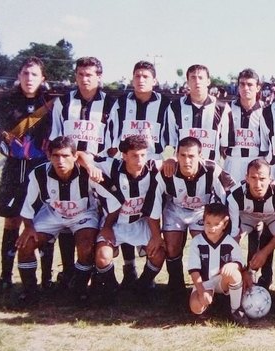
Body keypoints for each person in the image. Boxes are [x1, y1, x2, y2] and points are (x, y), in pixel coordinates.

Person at [15, 137, 120, 306]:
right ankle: (30, 291)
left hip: (83, 214)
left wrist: (107, 227)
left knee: (86, 247)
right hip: (53, 215)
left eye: (65, 156)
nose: (60, 161)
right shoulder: (39, 173)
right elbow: (28, 205)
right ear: (49, 156)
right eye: (55, 156)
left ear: (74, 156)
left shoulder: (88, 173)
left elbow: (114, 203)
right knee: (26, 244)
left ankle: (79, 290)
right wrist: (28, 227)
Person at [49, 56, 117, 289]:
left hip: (99, 168)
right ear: (75, 76)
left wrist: (93, 161)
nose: (85, 79)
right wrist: (75, 158)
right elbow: (55, 138)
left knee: (99, 217)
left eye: (90, 75)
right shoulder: (63, 102)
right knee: (70, 218)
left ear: (99, 76)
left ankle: (100, 273)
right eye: (80, 74)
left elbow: (114, 141)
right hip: (68, 171)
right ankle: (70, 272)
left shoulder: (111, 103)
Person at [105, 61, 172, 287]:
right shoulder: (121, 103)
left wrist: (165, 162)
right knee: (125, 210)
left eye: (146, 76)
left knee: (149, 212)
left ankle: (147, 275)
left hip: (153, 169)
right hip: (125, 168)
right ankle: (129, 266)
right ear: (132, 79)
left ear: (154, 80)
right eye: (137, 76)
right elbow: (111, 139)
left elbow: (170, 140)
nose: (141, 80)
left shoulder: (165, 104)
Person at [0, 57, 53, 291]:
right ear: (19, 76)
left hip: (40, 169)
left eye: (34, 74)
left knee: (43, 221)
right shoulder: (6, 101)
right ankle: (6, 276)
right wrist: (6, 143)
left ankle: (47, 278)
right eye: (25, 74)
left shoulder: (49, 102)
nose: (29, 79)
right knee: (12, 220)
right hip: (14, 168)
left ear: (43, 78)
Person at [156, 136, 232, 305]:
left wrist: (225, 226)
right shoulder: (168, 171)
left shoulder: (212, 169)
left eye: (191, 156)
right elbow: (154, 205)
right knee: (172, 246)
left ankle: (208, 288)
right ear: (176, 155)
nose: (186, 160)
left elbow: (229, 196)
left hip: (201, 211)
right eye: (182, 155)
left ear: (200, 156)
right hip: (175, 210)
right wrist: (155, 235)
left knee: (205, 244)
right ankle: (176, 288)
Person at [92, 135, 165, 303]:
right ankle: (112, 287)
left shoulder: (152, 167)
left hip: (140, 223)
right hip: (115, 223)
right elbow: (81, 154)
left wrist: (171, 162)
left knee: (159, 254)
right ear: (124, 155)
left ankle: (142, 285)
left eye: (143, 155)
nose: (140, 160)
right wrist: (90, 167)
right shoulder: (111, 166)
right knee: (102, 257)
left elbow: (173, 162)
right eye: (134, 155)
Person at [226, 158, 275, 291]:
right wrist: (245, 270)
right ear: (246, 178)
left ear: (270, 178)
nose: (258, 184)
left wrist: (264, 252)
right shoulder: (234, 194)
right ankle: (236, 282)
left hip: (273, 217)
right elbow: (233, 235)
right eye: (253, 178)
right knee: (230, 243)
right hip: (248, 216)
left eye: (262, 178)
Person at [188, 203, 248, 325]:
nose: (211, 228)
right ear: (203, 221)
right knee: (195, 307)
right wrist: (201, 291)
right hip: (204, 282)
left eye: (217, 224)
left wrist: (233, 265)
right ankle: (210, 304)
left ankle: (235, 310)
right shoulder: (196, 242)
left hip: (222, 282)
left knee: (234, 273)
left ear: (225, 224)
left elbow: (240, 262)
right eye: (208, 223)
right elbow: (194, 270)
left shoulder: (230, 242)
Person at [167, 64, 231, 164]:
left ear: (208, 81)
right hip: (183, 166)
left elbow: (225, 145)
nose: (197, 81)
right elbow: (172, 142)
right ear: (187, 82)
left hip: (210, 166)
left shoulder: (222, 108)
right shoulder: (175, 107)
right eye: (193, 78)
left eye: (201, 77)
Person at [220, 68, 265, 184]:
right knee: (230, 198)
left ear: (258, 87)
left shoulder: (266, 110)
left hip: (257, 162)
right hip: (232, 162)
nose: (245, 88)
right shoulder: (227, 108)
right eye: (242, 84)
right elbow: (221, 140)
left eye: (250, 84)